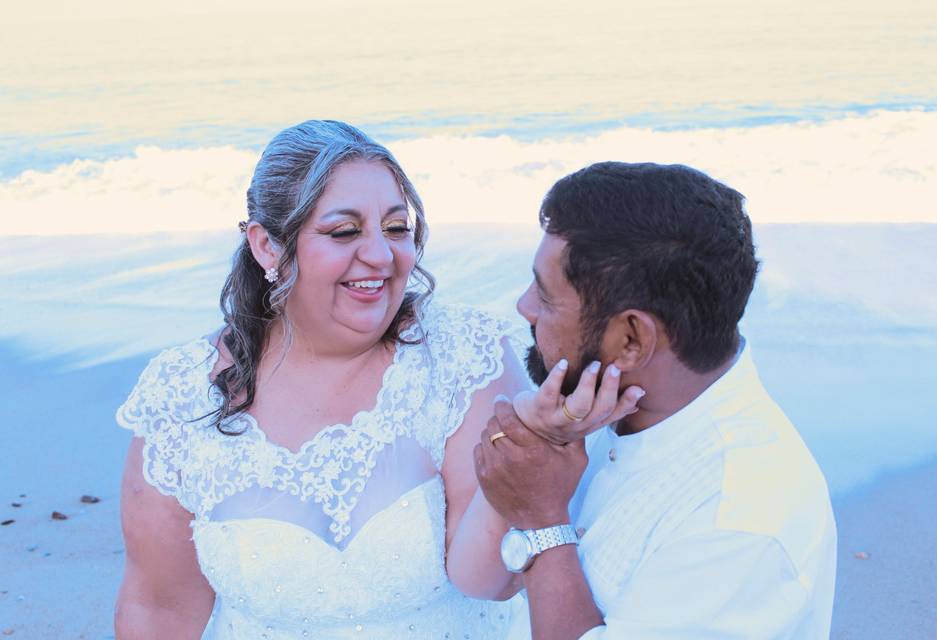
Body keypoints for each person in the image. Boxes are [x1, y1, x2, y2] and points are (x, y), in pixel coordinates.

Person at [114, 120, 539, 639]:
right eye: (344, 231)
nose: (382, 256)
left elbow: (494, 578)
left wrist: (534, 449)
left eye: (396, 227)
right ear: (268, 247)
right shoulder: (178, 394)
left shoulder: (464, 358)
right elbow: (160, 608)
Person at [475, 162, 838, 639]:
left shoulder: (739, 520)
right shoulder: (610, 409)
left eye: (545, 297)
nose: (524, 307)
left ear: (631, 340)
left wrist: (543, 522)